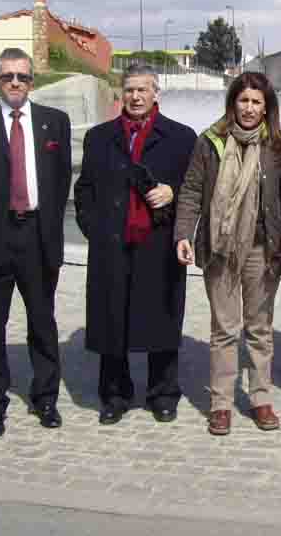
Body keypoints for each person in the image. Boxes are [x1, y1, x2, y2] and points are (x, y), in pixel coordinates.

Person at [175, 72, 281, 436]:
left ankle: (261, 398)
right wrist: (183, 234)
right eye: (243, 100)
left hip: (262, 249)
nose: (249, 108)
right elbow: (190, 192)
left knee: (259, 329)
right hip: (219, 248)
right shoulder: (210, 142)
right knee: (224, 329)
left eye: (256, 102)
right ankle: (220, 404)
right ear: (233, 102)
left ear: (267, 109)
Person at [74, 65, 196, 426]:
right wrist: (95, 229)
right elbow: (84, 191)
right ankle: (115, 394)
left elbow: (196, 188)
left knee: (162, 318)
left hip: (159, 242)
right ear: (121, 94)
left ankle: (163, 393)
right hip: (112, 243)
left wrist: (173, 191)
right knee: (112, 320)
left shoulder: (180, 137)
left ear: (156, 93)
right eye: (129, 90)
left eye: (143, 90)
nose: (136, 97)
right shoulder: (99, 137)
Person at [0, 48, 72, 437]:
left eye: (22, 77)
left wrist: (53, 234)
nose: (14, 83)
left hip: (38, 236)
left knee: (43, 322)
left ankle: (45, 397)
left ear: (32, 81)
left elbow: (59, 184)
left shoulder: (54, 122)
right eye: (7, 76)